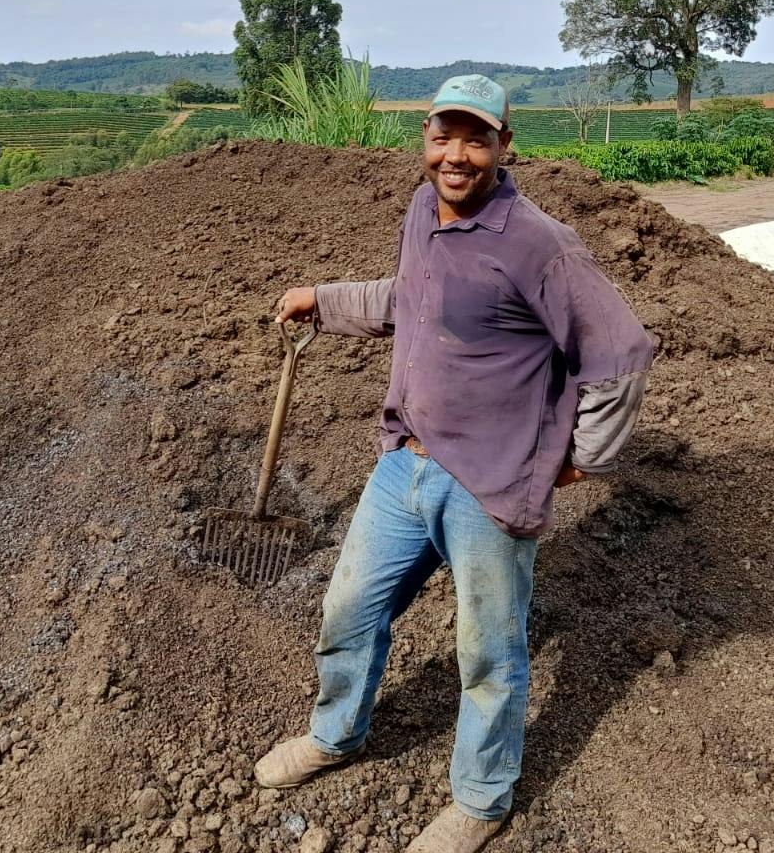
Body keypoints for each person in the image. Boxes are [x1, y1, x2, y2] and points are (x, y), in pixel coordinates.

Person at [254, 74, 654, 853]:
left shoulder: (540, 243)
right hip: (407, 461)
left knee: (489, 651)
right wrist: (322, 299)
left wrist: (578, 463)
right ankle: (336, 734)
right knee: (349, 612)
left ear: (506, 146)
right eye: (444, 136)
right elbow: (411, 299)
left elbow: (622, 353)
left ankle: (481, 797)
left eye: (477, 139)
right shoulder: (419, 211)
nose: (457, 155)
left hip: (492, 485)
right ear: (426, 140)